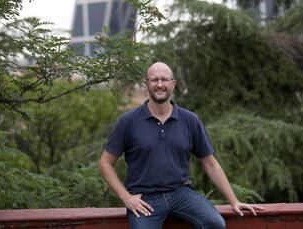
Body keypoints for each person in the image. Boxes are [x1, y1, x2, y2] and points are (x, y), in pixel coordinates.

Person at [99, 62, 264, 229]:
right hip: (145, 199)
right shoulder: (128, 122)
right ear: (146, 83)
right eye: (154, 80)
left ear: (173, 84)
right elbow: (105, 163)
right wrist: (126, 197)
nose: (160, 84)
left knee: (215, 224)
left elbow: (210, 163)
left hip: (181, 194)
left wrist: (234, 200)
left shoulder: (190, 120)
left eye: (165, 79)